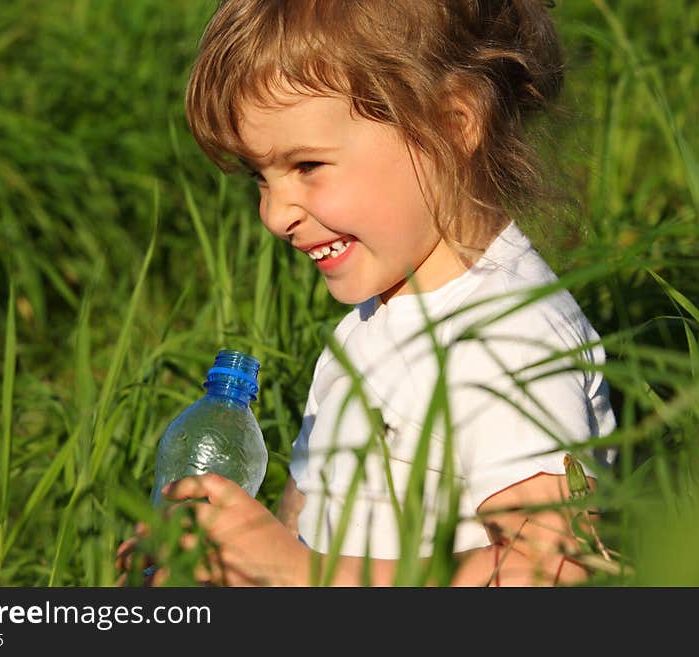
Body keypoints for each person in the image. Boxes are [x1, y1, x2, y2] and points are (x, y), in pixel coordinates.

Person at [116, 0, 617, 587]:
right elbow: (306, 529)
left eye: (306, 165)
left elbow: (554, 568)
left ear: (453, 124)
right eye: (260, 177)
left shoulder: (508, 336)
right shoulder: (373, 322)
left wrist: (300, 574)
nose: (275, 215)